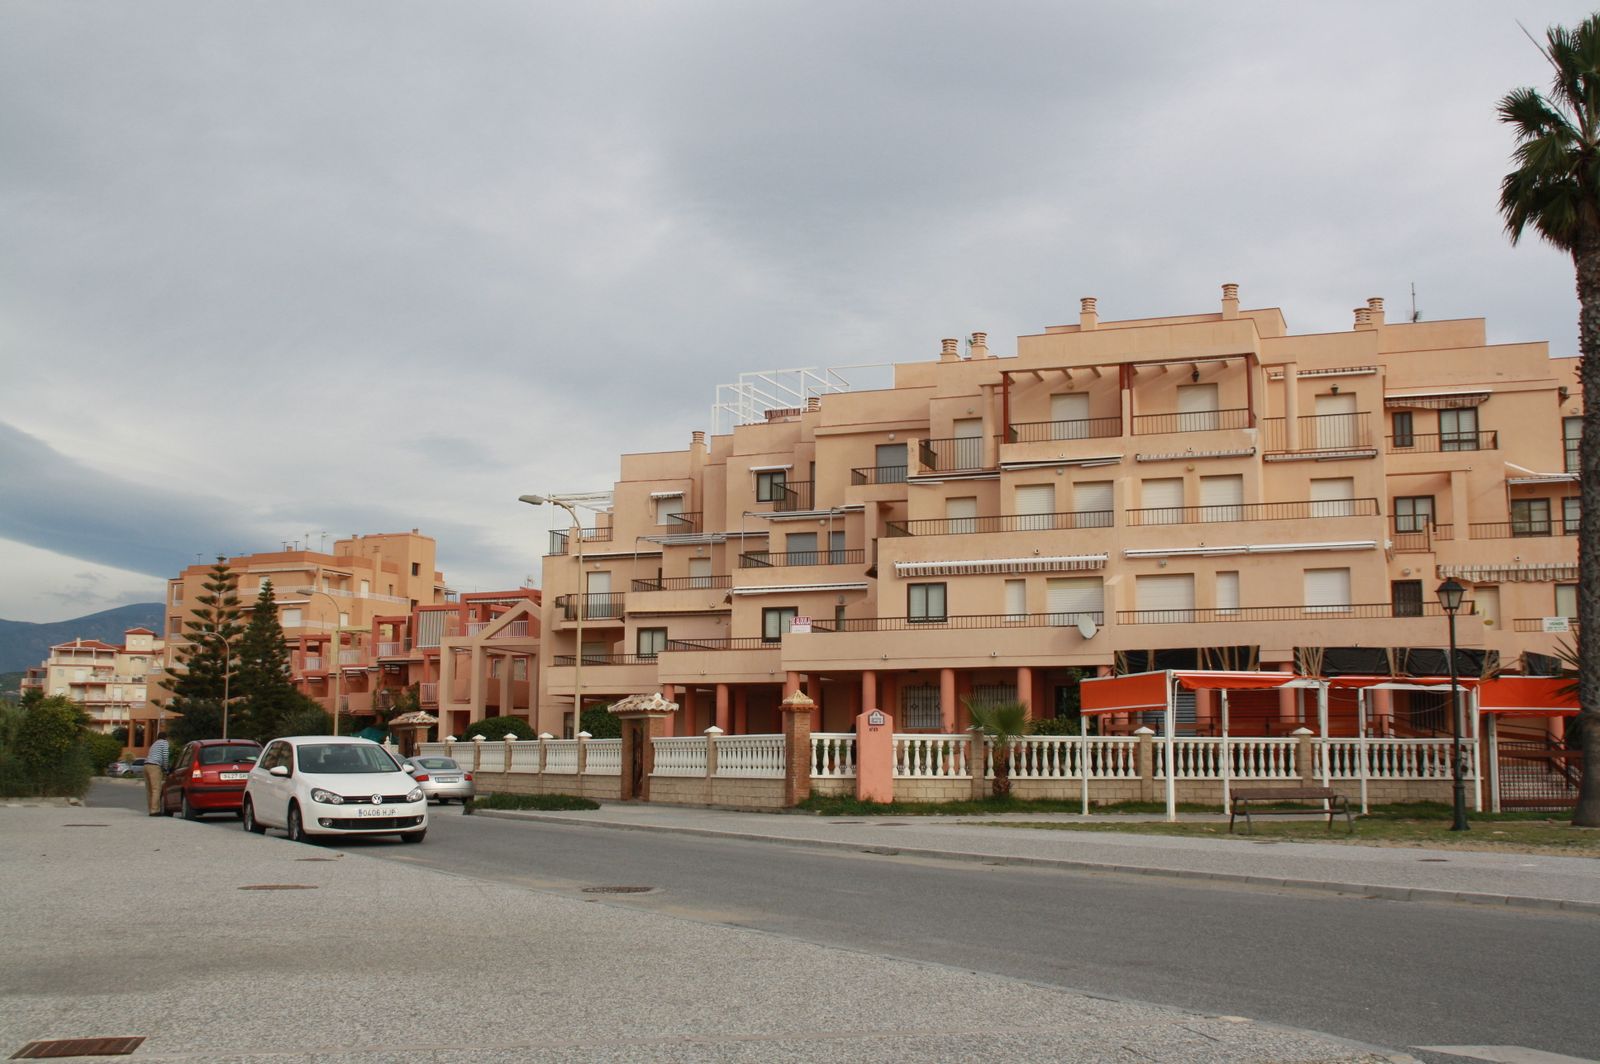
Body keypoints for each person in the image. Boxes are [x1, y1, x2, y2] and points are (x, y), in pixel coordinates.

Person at [145, 731, 171, 816]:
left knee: (149, 790)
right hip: (154, 766)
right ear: (166, 737)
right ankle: (155, 810)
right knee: (156, 789)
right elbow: (165, 756)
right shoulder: (164, 743)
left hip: (146, 765)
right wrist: (166, 768)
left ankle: (150, 809)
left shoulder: (154, 744)